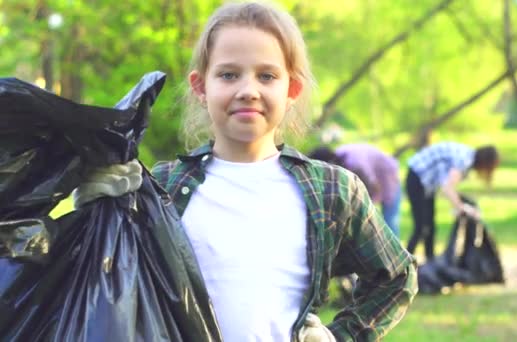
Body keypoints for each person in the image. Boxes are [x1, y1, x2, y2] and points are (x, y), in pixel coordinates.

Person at [74, 2, 418, 341]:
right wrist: (97, 211)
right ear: (200, 87)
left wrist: (340, 336)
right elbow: (103, 280)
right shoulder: (158, 188)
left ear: (291, 90)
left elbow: (397, 276)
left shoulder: (332, 189)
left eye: (266, 76)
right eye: (228, 74)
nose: (248, 91)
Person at [405, 142, 499, 261]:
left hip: (426, 183)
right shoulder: (464, 160)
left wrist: (459, 206)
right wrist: (462, 208)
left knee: (430, 226)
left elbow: (446, 185)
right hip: (417, 177)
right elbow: (447, 188)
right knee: (421, 227)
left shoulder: (466, 156)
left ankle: (430, 261)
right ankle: (405, 263)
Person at [308, 144, 402, 239]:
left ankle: (395, 251)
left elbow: (375, 187)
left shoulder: (356, 163)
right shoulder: (339, 160)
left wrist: (365, 209)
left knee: (390, 219)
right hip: (371, 178)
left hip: (388, 175)